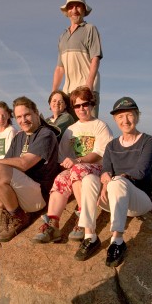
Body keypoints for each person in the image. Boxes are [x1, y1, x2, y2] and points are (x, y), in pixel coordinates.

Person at [0, 96, 61, 242]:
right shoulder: (19, 136)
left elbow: (24, 164)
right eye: (19, 117)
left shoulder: (45, 134)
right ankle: (5, 206)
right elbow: (5, 161)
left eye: (27, 114)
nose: (23, 120)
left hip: (38, 194)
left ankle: (19, 217)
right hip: (20, 189)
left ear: (36, 113)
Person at [75, 97, 152, 267]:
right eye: (120, 117)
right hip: (113, 199)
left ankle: (117, 241)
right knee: (90, 179)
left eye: (129, 115)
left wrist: (113, 180)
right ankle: (90, 236)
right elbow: (106, 169)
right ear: (115, 119)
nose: (125, 120)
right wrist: (105, 178)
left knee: (118, 181)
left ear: (137, 116)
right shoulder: (112, 145)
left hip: (138, 201)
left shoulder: (148, 141)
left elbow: (140, 171)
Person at [32, 87, 112, 243]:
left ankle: (83, 219)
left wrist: (78, 161)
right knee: (61, 178)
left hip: (97, 169)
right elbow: (63, 156)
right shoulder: (71, 130)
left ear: (92, 105)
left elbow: (99, 153)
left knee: (77, 168)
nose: (81, 108)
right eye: (77, 105)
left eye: (85, 104)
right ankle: (53, 224)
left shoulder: (100, 126)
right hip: (77, 171)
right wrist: (68, 166)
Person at [52, 0, 103, 118]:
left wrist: (88, 86)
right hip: (67, 92)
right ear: (67, 10)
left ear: (84, 9)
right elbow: (59, 68)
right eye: (71, 6)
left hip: (86, 89)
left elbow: (95, 59)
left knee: (88, 130)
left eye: (78, 6)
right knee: (68, 131)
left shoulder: (90, 29)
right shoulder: (62, 36)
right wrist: (54, 93)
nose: (74, 10)